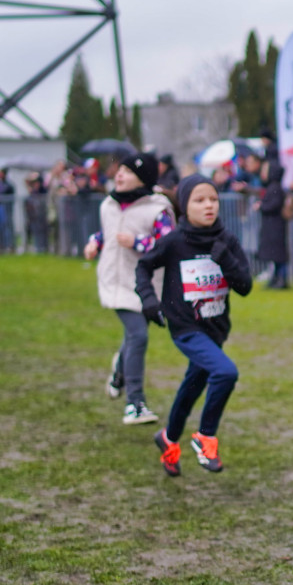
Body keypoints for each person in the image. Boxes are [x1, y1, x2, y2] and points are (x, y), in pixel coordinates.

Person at [134, 174, 252, 476]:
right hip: (185, 328)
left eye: (213, 199)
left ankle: (168, 440)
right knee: (225, 373)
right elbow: (144, 265)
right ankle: (205, 436)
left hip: (216, 330)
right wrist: (148, 300)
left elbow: (245, 286)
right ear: (185, 206)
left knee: (192, 387)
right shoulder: (174, 242)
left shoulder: (226, 240)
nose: (208, 205)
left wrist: (225, 259)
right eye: (199, 200)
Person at [83, 152, 174, 425]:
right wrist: (94, 243)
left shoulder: (158, 209)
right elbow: (106, 232)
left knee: (135, 335)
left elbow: (166, 245)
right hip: (116, 281)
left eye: (127, 171)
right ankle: (135, 403)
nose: (119, 175)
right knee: (138, 335)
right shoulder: (109, 205)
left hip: (146, 284)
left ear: (142, 178)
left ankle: (119, 371)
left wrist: (137, 241)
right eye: (119, 170)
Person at [255, 154, 290, 289]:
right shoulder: (273, 187)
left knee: (278, 255)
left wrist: (261, 206)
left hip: (276, 226)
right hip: (272, 226)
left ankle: (281, 279)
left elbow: (275, 204)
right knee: (275, 255)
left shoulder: (275, 188)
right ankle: (276, 278)